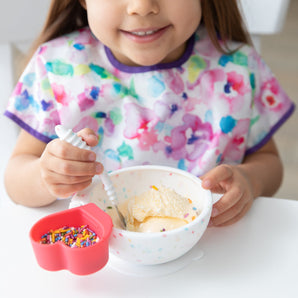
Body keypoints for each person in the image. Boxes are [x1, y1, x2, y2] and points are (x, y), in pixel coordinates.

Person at [4, 0, 295, 226]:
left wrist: (249, 180)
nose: (142, 6)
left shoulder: (237, 68)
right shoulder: (57, 67)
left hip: (211, 253)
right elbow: (16, 177)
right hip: (104, 263)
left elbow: (269, 163)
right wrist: (46, 176)